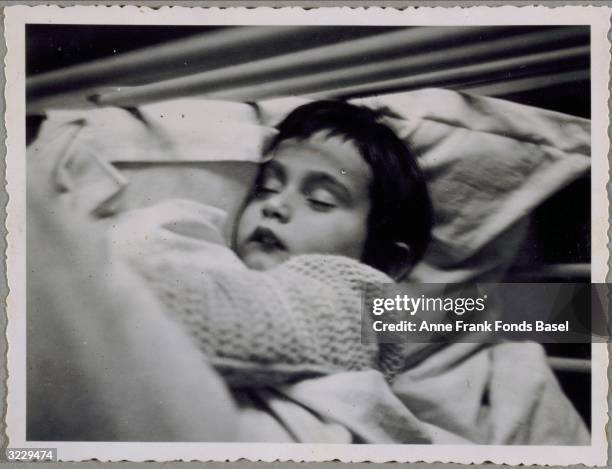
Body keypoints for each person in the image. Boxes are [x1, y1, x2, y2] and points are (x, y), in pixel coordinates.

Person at [110, 100, 434, 387]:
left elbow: (225, 322)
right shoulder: (214, 253)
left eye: (320, 200)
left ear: (386, 262)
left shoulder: (359, 310)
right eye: (267, 187)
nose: (274, 205)